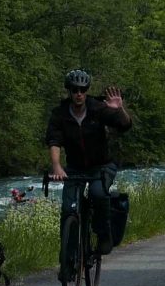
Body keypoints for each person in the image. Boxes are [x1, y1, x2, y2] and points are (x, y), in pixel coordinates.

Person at [46, 69, 133, 259]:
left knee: (98, 193)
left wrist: (119, 110)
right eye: (75, 90)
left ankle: (103, 235)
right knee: (68, 209)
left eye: (83, 90)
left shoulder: (97, 108)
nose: (79, 94)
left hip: (101, 166)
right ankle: (67, 260)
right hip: (75, 167)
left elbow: (124, 125)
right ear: (69, 91)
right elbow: (54, 141)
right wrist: (57, 166)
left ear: (87, 91)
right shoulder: (60, 114)